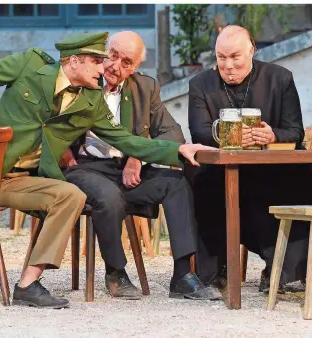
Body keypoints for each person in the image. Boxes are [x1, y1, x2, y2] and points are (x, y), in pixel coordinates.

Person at [0, 32, 212, 309]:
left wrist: (178, 150)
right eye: (99, 60)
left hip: (13, 180)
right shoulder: (30, 65)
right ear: (73, 60)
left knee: (70, 196)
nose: (106, 66)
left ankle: (29, 283)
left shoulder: (91, 101)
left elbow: (127, 140)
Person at [60, 31, 220, 301]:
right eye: (112, 55)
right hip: (83, 167)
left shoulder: (145, 88)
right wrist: (61, 147)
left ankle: (182, 275)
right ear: (103, 51)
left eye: (127, 62)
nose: (115, 66)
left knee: (176, 183)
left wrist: (138, 158)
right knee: (108, 197)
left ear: (136, 67)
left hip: (124, 168)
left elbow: (173, 134)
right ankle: (116, 273)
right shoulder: (82, 77)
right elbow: (48, 117)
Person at [188, 25, 312, 293]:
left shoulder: (280, 78)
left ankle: (284, 270)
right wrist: (232, 139)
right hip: (222, 171)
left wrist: (271, 135)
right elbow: (200, 132)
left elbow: (295, 131)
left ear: (252, 50)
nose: (228, 66)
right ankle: (216, 270)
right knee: (203, 183)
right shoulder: (200, 83)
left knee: (299, 180)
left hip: (272, 169)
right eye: (221, 58)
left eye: (235, 57)